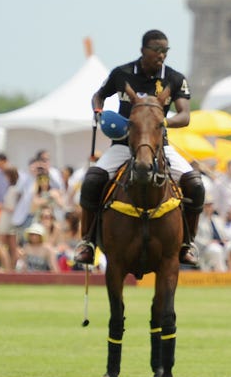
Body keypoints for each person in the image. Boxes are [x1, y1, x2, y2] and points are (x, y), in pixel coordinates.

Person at [73, 30, 204, 267]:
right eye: (156, 50)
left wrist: (163, 122)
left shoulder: (174, 79)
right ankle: (88, 242)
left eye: (165, 51)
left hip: (158, 147)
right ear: (143, 50)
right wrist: (98, 111)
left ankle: (188, 243)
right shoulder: (122, 74)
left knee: (195, 184)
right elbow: (99, 96)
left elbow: (185, 115)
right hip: (124, 144)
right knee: (92, 179)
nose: (161, 55)